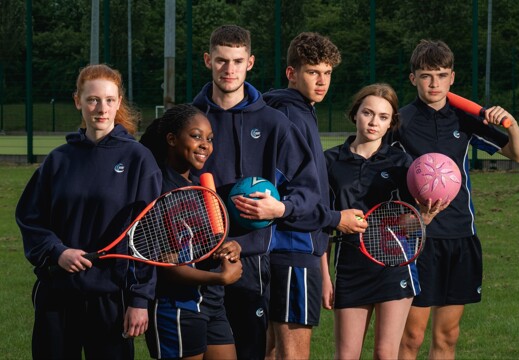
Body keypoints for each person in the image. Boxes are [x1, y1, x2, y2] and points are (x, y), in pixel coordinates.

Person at [191, 24, 324, 360]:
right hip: (196, 258)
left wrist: (279, 209)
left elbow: (308, 189)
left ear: (250, 62)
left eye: (237, 61)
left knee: (250, 351)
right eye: (221, 60)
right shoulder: (187, 120)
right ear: (208, 60)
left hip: (249, 260)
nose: (229, 69)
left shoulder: (273, 123)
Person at [391, 39, 519, 359]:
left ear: (452, 77)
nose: (434, 83)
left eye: (441, 75)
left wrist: (512, 123)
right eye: (426, 75)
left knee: (448, 336)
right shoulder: (400, 120)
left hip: (461, 236)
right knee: (411, 336)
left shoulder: (465, 118)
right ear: (414, 78)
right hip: (418, 235)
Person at [15, 64, 162, 359]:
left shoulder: (138, 159)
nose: (101, 108)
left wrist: (139, 300)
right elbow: (30, 218)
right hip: (57, 293)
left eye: (109, 100)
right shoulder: (58, 160)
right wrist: (58, 251)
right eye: (92, 99)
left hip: (110, 297)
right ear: (77, 101)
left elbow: (149, 236)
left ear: (118, 102)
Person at [262, 32, 366, 360]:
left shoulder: (295, 109)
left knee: (270, 349)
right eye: (312, 72)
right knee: (293, 353)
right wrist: (337, 219)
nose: (322, 81)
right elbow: (295, 194)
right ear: (292, 73)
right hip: (292, 247)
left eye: (328, 73)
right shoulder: (291, 116)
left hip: (284, 248)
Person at [324, 83, 445, 359]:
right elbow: (322, 225)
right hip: (350, 267)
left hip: (393, 265)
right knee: (346, 356)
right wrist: (324, 277)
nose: (373, 122)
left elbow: (407, 226)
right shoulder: (330, 161)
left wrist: (423, 219)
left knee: (385, 354)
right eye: (368, 113)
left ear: (391, 123)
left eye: (383, 117)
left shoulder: (402, 164)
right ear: (355, 114)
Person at [139, 103, 243, 360]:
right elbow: (166, 265)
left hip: (212, 303)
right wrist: (220, 278)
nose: (205, 145)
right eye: (196, 136)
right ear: (172, 139)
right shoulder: (157, 189)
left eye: (209, 139)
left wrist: (230, 248)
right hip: (176, 305)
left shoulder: (201, 189)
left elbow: (207, 244)